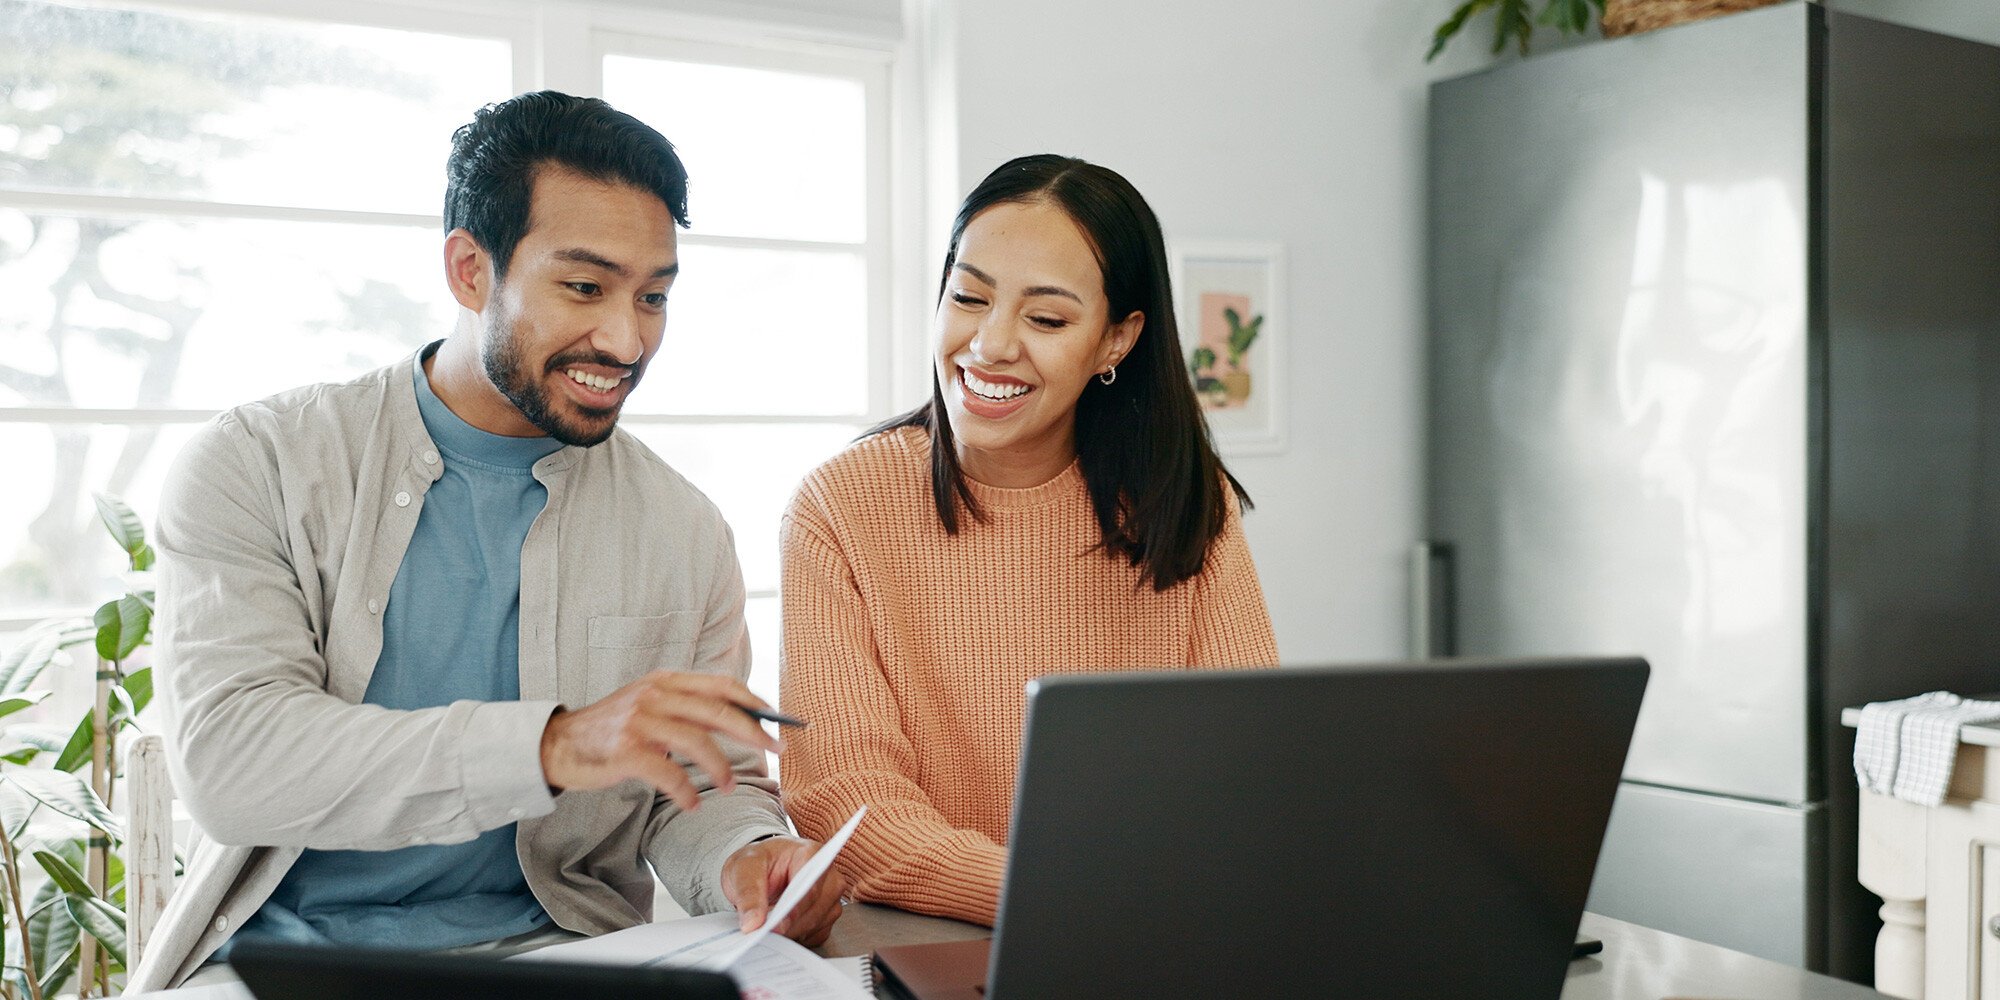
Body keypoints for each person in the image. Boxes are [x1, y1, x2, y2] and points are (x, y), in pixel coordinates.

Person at [128, 91, 842, 991]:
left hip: (561, 964)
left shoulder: (684, 527)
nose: (626, 338)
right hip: (279, 969)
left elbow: (704, 788)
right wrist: (551, 746)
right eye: (584, 287)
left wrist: (747, 856)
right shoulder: (259, 463)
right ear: (471, 270)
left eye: (653, 296)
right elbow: (235, 762)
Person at [776, 154, 1279, 927]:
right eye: (969, 297)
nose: (990, 345)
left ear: (1117, 340)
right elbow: (849, 806)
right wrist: (1063, 897)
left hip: (1153, 940)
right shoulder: (841, 508)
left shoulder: (1187, 501)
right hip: (936, 943)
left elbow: (1247, 771)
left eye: (1045, 319)